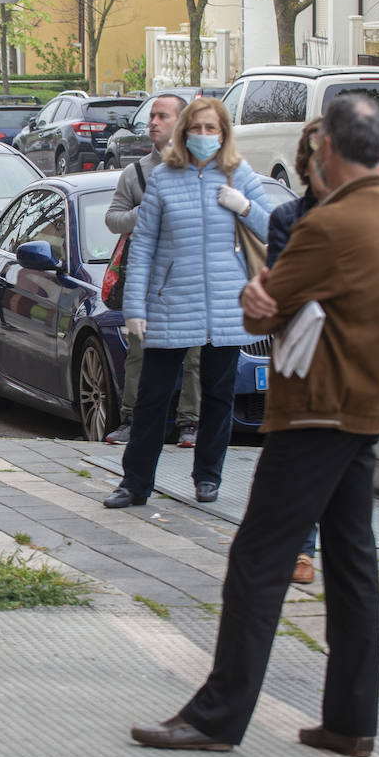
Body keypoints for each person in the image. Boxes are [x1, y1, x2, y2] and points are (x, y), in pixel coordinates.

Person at [130, 94, 379, 757]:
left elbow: (264, 311)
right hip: (367, 410)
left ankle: (215, 717)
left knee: (258, 560)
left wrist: (257, 298)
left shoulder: (329, 226)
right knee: (351, 567)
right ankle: (350, 722)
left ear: (329, 152)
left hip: (316, 409)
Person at [105, 96, 272, 510]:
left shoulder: (240, 174)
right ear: (184, 133)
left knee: (218, 397)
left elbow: (274, 228)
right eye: (195, 129)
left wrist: (245, 206)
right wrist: (135, 308)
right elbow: (142, 247)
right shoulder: (163, 178)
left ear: (223, 133)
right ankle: (135, 483)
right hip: (171, 304)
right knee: (152, 397)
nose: (202, 136)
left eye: (210, 129)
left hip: (225, 307)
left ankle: (208, 477)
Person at [103, 93, 201, 448]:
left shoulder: (200, 169)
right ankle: (132, 419)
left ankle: (191, 423)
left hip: (189, 277)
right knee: (139, 351)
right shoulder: (136, 173)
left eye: (163, 116)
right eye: (151, 118)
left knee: (193, 354)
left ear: (182, 122)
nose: (154, 123)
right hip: (146, 279)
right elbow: (113, 218)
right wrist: (141, 215)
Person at [267, 118, 327, 585]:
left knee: (335, 472)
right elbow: (278, 295)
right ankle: (299, 550)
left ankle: (308, 547)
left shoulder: (374, 217)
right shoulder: (287, 219)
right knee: (297, 460)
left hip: (350, 365)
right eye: (313, 154)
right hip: (301, 354)